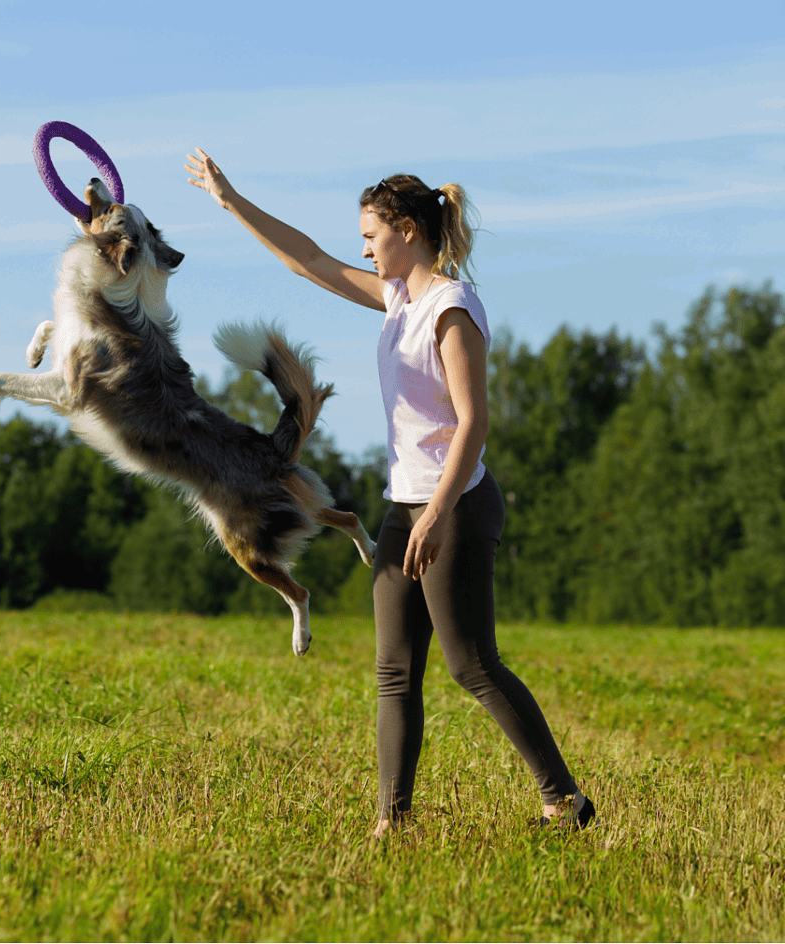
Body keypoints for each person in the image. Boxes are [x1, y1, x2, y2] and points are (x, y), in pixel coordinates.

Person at [185, 149, 594, 835]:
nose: (365, 250)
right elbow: (307, 260)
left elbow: (474, 422)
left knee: (471, 664)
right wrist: (232, 201)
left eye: (372, 237)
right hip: (406, 505)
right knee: (394, 671)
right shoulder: (398, 297)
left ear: (407, 229)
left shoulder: (451, 308)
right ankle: (392, 824)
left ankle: (565, 800)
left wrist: (436, 514)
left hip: (454, 506)